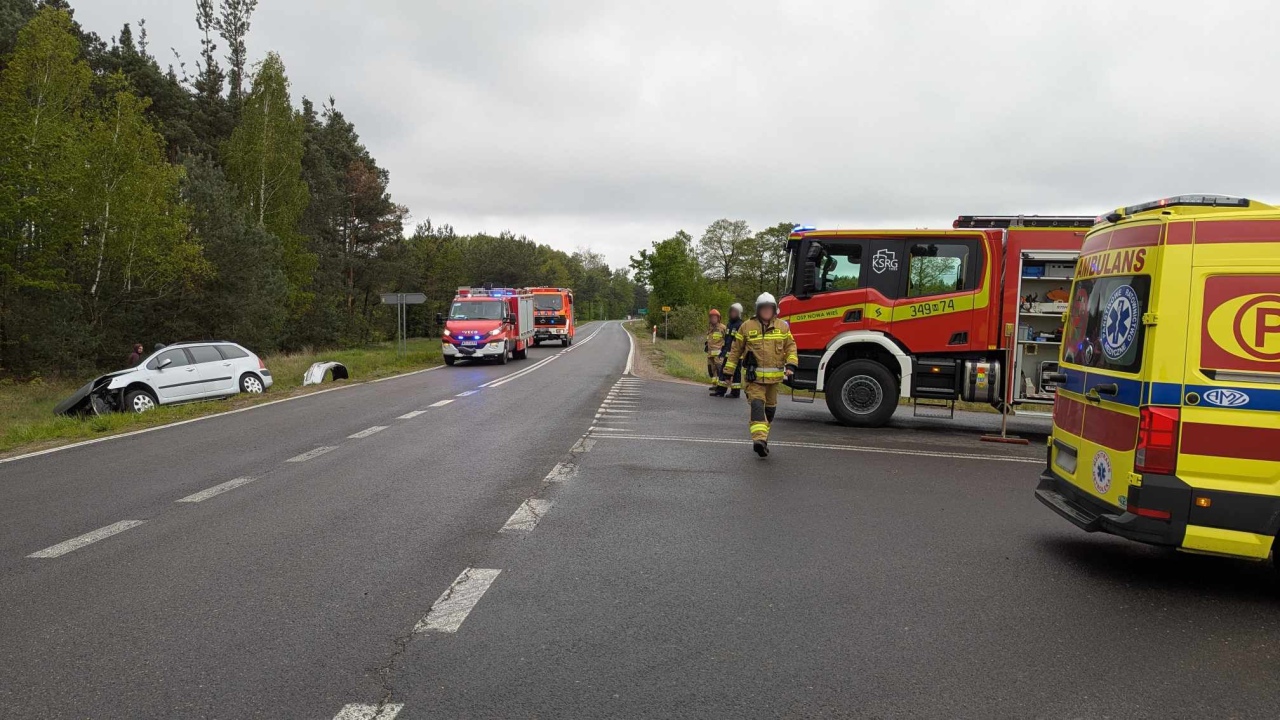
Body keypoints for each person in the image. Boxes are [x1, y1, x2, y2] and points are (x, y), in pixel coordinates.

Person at [721, 293, 798, 458]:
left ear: (774, 309)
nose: (766, 311)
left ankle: (763, 438)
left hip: (774, 380)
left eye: (769, 308)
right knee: (757, 405)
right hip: (753, 379)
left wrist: (791, 365)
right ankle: (759, 440)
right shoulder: (747, 327)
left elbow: (791, 346)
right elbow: (735, 350)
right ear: (758, 309)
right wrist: (728, 372)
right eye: (763, 308)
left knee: (769, 411)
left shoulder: (783, 326)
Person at [718, 302, 745, 398]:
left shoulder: (741, 325)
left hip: (737, 355)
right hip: (727, 353)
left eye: (735, 312)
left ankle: (735, 392)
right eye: (732, 311)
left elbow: (738, 342)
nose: (733, 313)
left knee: (736, 373)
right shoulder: (729, 324)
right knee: (723, 371)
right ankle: (720, 391)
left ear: (739, 313)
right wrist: (723, 351)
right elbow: (727, 339)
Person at [704, 309, 729, 396]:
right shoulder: (710, 328)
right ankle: (714, 384)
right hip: (710, 353)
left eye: (715, 317)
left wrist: (725, 350)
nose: (713, 319)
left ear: (718, 318)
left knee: (719, 370)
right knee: (711, 370)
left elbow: (727, 339)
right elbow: (709, 339)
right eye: (711, 317)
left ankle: (720, 386)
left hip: (719, 354)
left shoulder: (723, 328)